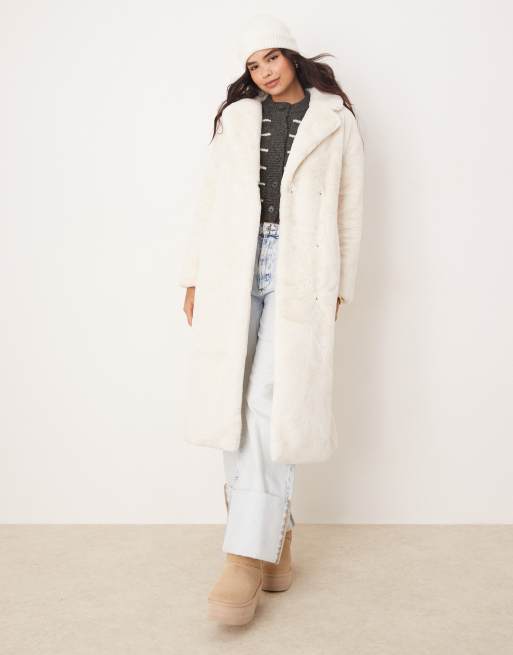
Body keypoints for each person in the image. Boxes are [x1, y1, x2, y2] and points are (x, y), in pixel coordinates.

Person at [177, 13, 365, 626]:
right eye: (253, 65)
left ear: (291, 55)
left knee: (269, 400)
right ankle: (274, 537)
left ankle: (241, 556)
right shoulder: (236, 119)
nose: (264, 71)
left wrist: (339, 287)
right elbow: (209, 200)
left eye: (271, 57)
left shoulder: (335, 119)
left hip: (300, 268)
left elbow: (350, 208)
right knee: (232, 400)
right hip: (233, 265)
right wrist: (195, 277)